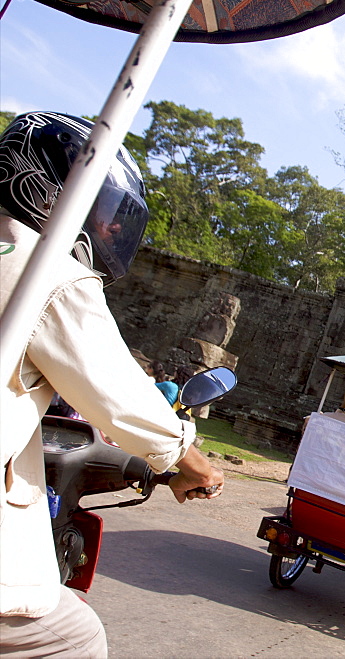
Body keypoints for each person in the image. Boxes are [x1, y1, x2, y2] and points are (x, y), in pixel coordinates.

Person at [0, 112, 224, 657]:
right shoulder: (46, 271)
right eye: (102, 212)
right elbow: (116, 391)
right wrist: (186, 459)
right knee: (76, 637)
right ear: (48, 188)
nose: (113, 228)